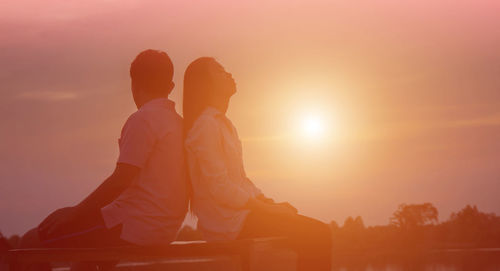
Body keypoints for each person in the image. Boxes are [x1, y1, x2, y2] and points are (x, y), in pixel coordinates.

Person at [20, 50, 188, 253]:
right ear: (170, 86)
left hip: (132, 226)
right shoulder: (179, 124)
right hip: (165, 229)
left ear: (135, 83)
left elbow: (121, 180)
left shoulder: (143, 119)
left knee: (30, 243)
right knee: (85, 261)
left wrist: (75, 213)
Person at [183, 57, 332, 271]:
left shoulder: (223, 124)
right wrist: (269, 210)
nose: (228, 74)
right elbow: (220, 187)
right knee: (317, 234)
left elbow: (241, 181)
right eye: (220, 71)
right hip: (228, 223)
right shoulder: (205, 126)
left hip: (242, 217)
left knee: (314, 233)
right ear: (206, 84)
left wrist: (270, 203)